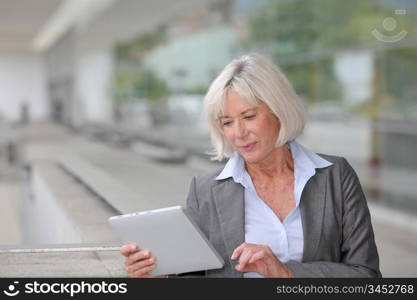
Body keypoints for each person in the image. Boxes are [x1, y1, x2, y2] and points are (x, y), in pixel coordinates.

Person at [120, 53, 381, 278]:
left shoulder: (335, 176)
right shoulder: (205, 190)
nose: (238, 133)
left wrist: (287, 272)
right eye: (227, 122)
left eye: (249, 116)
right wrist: (158, 274)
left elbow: (366, 274)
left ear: (279, 110)